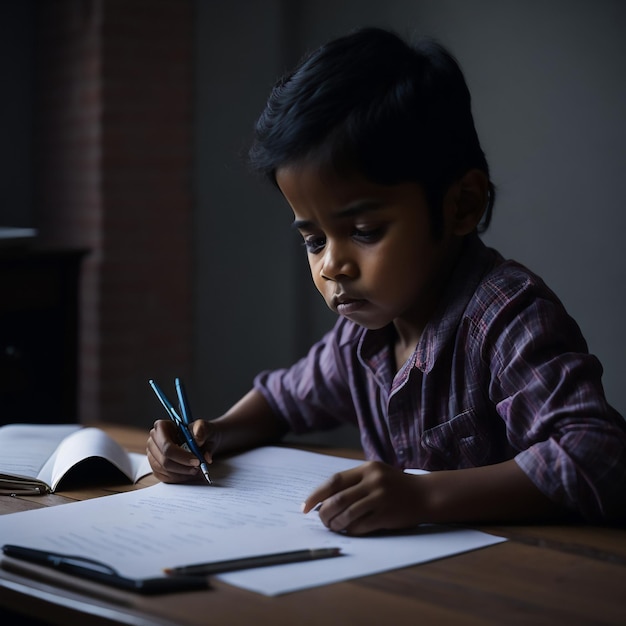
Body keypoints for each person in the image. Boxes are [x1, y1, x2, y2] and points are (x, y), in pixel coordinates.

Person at [147, 27, 626, 534]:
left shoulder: (507, 316)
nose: (332, 265)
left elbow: (598, 456)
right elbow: (281, 400)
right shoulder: (360, 339)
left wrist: (425, 495)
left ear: (461, 204)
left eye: (365, 231)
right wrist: (210, 435)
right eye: (313, 241)